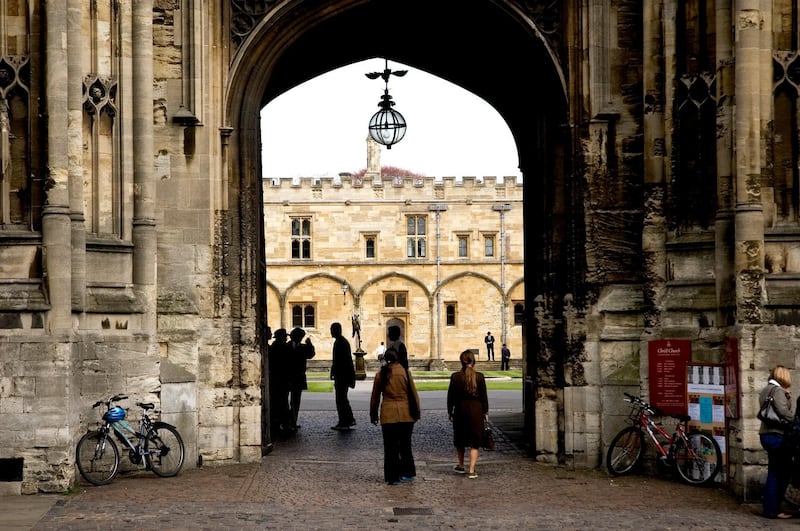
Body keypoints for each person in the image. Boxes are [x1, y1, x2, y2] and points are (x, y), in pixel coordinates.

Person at [370, 348, 421, 485]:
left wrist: (373, 414)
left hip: (388, 414)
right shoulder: (405, 372)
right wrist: (417, 411)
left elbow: (375, 397)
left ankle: (393, 477)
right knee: (405, 445)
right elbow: (413, 393)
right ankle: (408, 472)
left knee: (390, 447)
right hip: (406, 413)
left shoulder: (381, 374)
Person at [759, 365, 795, 519]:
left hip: (766, 434)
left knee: (775, 471)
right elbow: (784, 413)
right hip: (776, 435)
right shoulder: (778, 391)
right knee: (779, 473)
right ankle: (772, 509)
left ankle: (770, 507)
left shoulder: (767, 389)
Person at [447, 349, 489, 479]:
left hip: (461, 409)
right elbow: (484, 397)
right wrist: (485, 412)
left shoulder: (456, 376)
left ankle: (461, 465)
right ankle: (471, 470)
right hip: (476, 409)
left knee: (460, 439)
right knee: (474, 441)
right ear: (473, 360)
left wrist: (450, 411)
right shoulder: (480, 376)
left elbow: (451, 397)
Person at [287, 327, 315, 432]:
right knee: (285, 401)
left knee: (296, 401)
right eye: (299, 336)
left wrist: (310, 344)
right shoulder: (286, 347)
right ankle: (287, 422)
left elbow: (311, 355)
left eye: (301, 337)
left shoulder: (304, 347)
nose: (300, 338)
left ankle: (293, 421)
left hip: (298, 378)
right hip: (287, 378)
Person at [330, 322, 356, 430]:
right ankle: (348, 419)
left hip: (342, 376)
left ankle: (345, 421)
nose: (331, 332)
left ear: (337, 330)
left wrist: (335, 372)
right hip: (342, 375)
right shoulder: (341, 341)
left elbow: (341, 361)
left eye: (332, 330)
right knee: (342, 399)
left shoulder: (341, 342)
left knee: (341, 399)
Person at [269, 328, 291, 436]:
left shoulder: (275, 346)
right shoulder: (281, 347)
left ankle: (280, 423)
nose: (286, 338)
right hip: (280, 380)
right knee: (281, 402)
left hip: (279, 379)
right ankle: (283, 424)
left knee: (280, 402)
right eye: (285, 337)